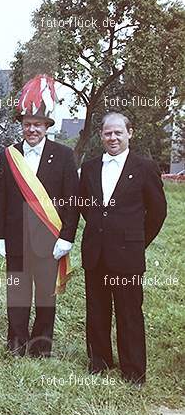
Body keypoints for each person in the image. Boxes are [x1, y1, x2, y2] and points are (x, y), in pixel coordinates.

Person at [79, 112, 167, 385]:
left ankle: (133, 371)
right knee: (96, 309)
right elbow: (84, 205)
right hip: (96, 252)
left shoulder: (144, 167)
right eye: (107, 133)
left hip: (127, 255)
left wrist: (136, 241)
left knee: (129, 313)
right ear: (101, 136)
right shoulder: (91, 167)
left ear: (130, 133)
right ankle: (99, 362)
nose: (112, 137)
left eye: (118, 132)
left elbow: (158, 212)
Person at [0, 75, 79, 358]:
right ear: (22, 126)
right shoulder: (8, 155)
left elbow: (72, 201)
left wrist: (67, 236)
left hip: (49, 239)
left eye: (38, 124)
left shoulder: (64, 155)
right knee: (17, 294)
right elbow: (0, 199)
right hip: (16, 238)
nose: (32, 129)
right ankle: (16, 342)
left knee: (45, 297)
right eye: (27, 124)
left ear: (46, 127)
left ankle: (41, 346)